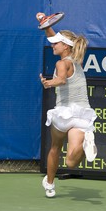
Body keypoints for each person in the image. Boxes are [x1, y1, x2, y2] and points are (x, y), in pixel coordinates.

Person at [36, 12, 97, 198]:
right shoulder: (77, 60)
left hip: (64, 113)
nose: (52, 45)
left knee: (55, 148)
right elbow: (55, 38)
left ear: (65, 46)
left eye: (56, 43)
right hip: (81, 115)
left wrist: (48, 83)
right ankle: (87, 141)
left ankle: (50, 184)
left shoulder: (61, 63)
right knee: (71, 163)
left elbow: (61, 80)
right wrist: (46, 24)